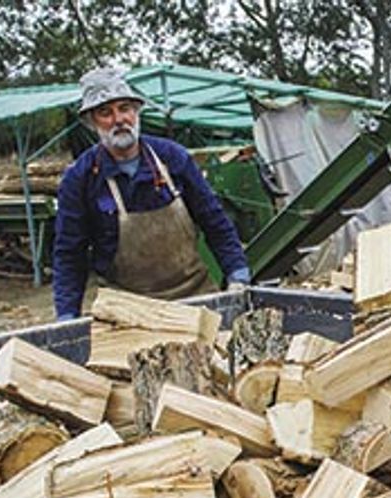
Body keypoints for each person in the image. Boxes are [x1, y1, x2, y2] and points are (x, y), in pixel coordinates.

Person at [52, 68, 251, 320]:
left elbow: (215, 222)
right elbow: (70, 254)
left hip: (194, 295)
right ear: (92, 123)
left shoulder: (173, 158)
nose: (118, 119)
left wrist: (238, 275)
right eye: (105, 113)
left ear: (137, 112)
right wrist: (66, 316)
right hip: (128, 308)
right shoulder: (80, 179)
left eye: (125, 108)